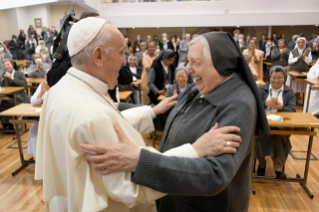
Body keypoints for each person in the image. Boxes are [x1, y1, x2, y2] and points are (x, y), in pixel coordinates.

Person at [35, 18, 242, 212]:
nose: (125, 61)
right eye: (121, 52)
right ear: (98, 56)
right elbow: (132, 188)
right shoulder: (91, 114)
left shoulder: (60, 90)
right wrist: (196, 150)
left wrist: (151, 111)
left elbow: (113, 124)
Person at [81, 32, 270, 212]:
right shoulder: (200, 87)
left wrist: (139, 161)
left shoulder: (239, 104)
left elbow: (215, 175)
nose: (188, 69)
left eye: (194, 62)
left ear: (220, 65)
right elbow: (167, 116)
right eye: (188, 61)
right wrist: (112, 107)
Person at [255, 66, 296, 179]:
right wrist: (264, 104)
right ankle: (262, 163)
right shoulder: (261, 89)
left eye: (280, 78)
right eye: (274, 77)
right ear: (269, 77)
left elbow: (293, 111)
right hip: (263, 124)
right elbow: (253, 107)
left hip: (281, 125)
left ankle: (277, 167)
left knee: (277, 135)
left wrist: (282, 108)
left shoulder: (289, 91)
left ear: (284, 78)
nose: (276, 80)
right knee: (259, 136)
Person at [0, 60, 29, 129]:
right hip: (8, 96)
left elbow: (24, 84)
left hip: (20, 96)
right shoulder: (4, 74)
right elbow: (2, 87)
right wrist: (1, 81)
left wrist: (12, 78)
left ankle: (16, 122)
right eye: (5, 65)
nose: (7, 66)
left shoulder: (19, 74)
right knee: (3, 105)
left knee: (13, 104)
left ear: (12, 64)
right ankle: (7, 124)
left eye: (8, 64)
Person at [28, 69, 50, 157]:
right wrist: (41, 93)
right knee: (33, 132)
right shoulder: (43, 84)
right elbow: (33, 101)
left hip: (56, 116)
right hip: (43, 115)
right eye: (47, 75)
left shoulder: (61, 84)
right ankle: (38, 157)